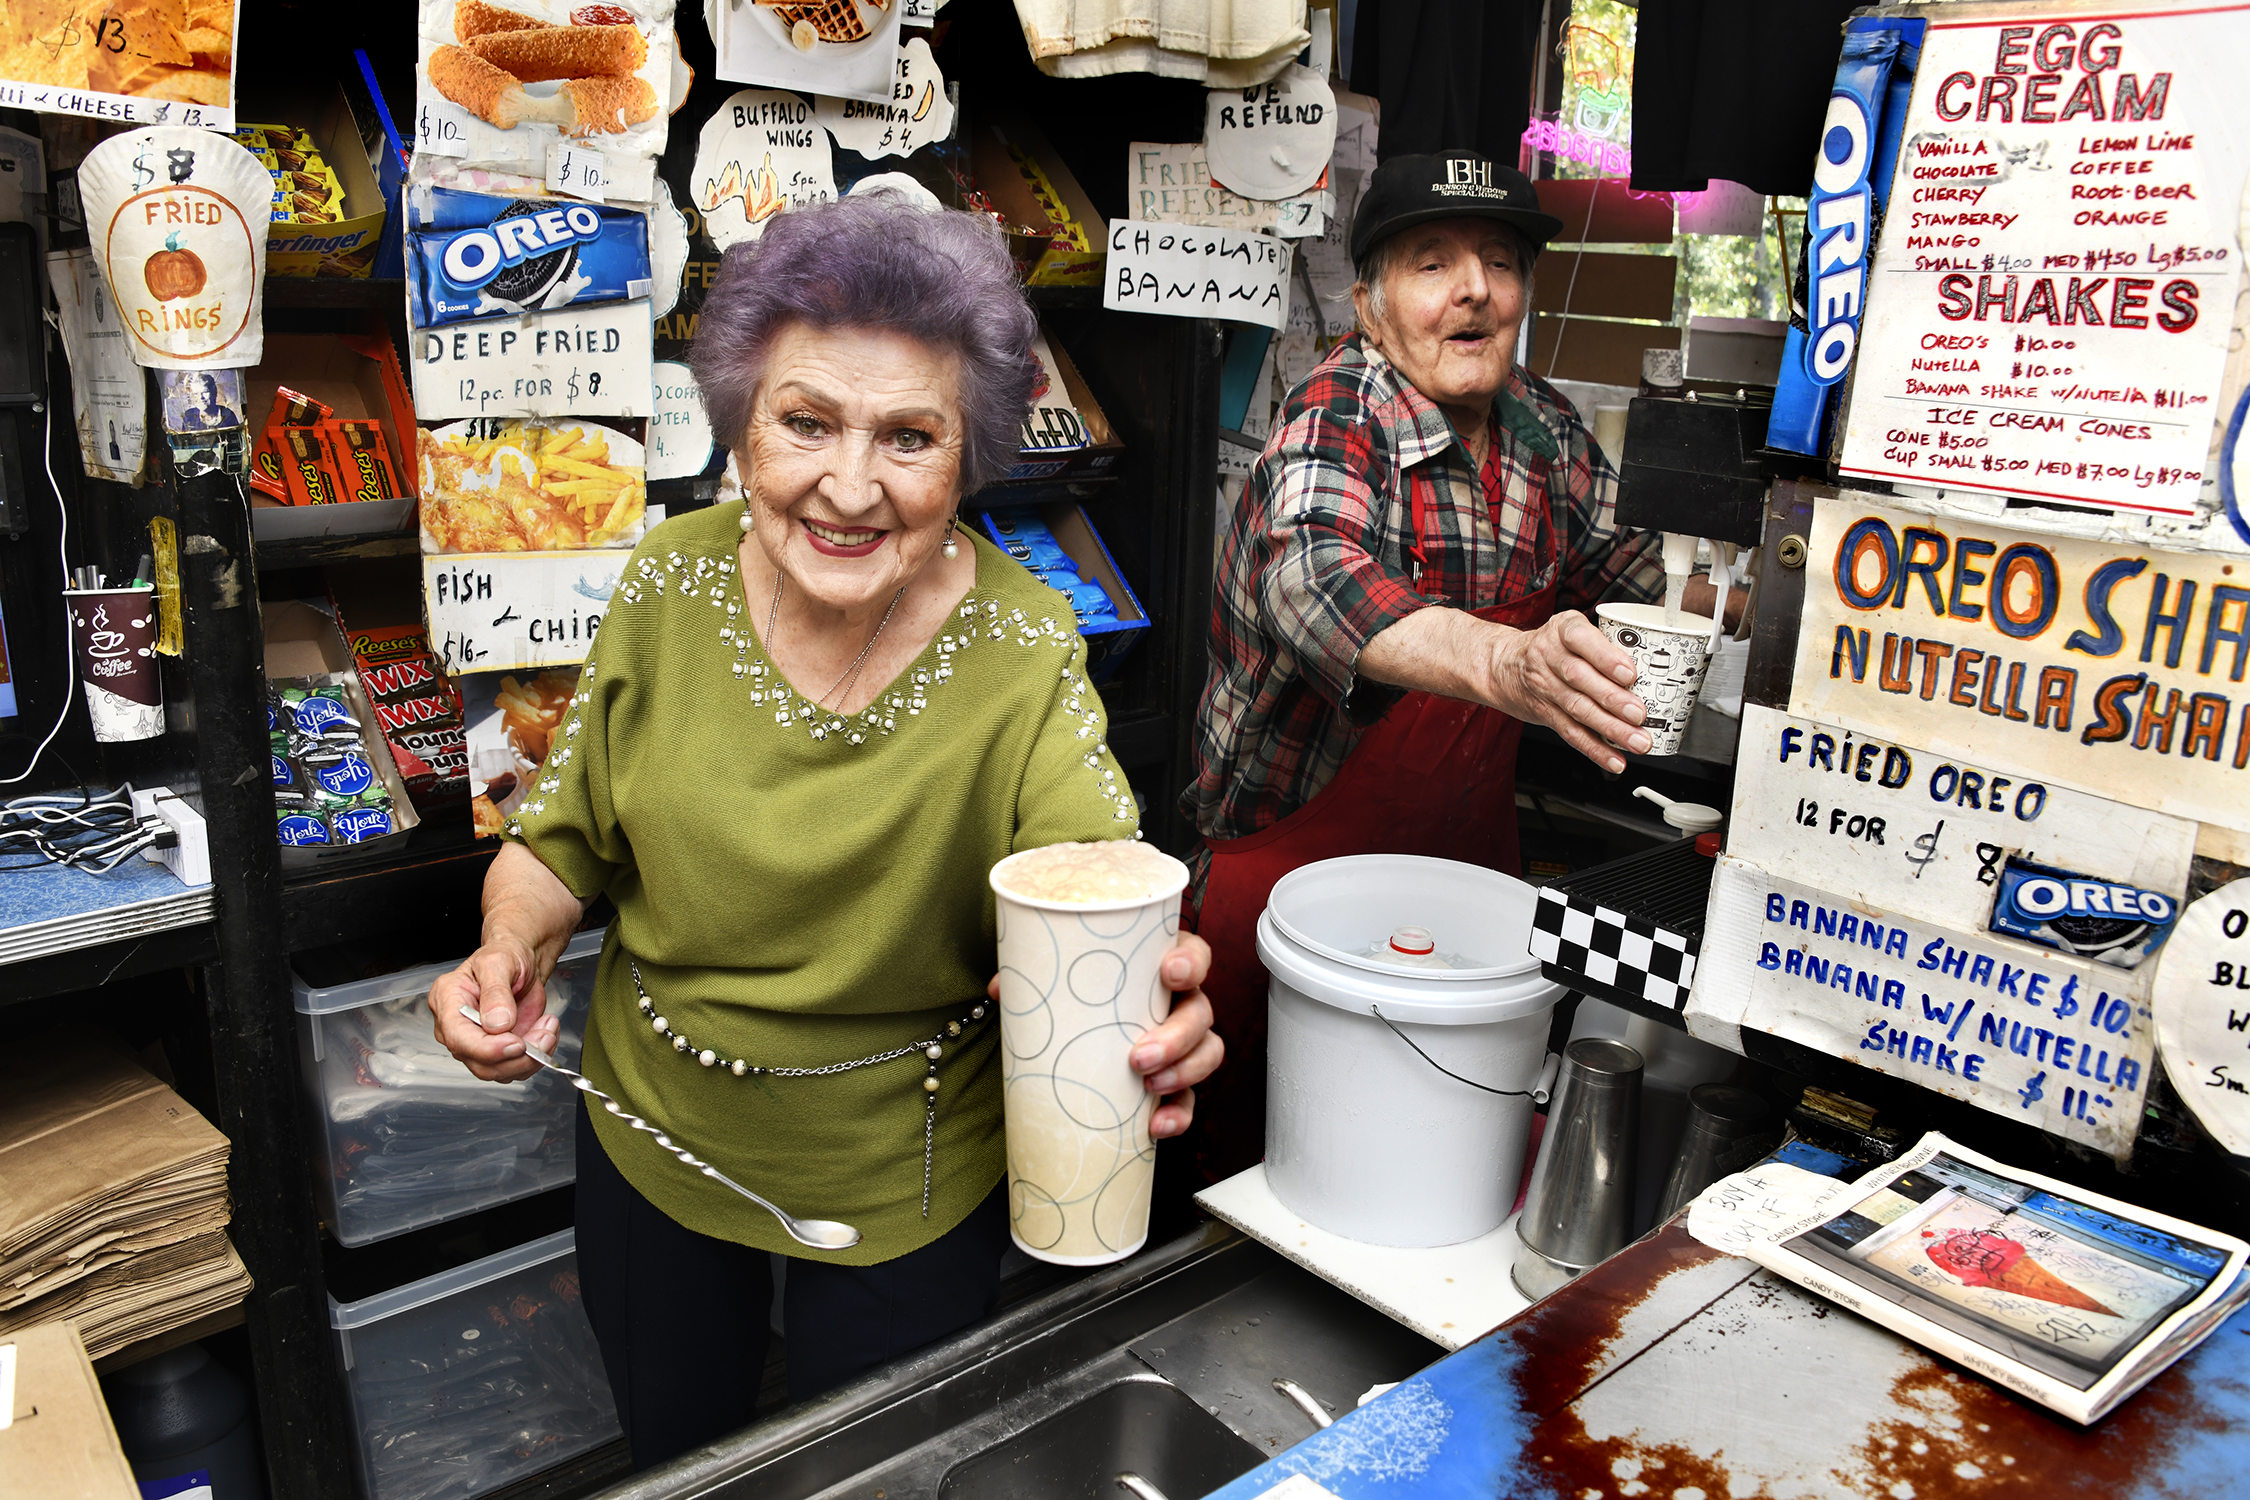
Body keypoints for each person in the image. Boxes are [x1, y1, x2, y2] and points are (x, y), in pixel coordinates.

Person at [426, 195, 1223, 1470]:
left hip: (905, 1177)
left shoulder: (1023, 645)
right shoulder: (664, 585)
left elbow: (1099, 895)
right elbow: (560, 837)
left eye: (909, 437)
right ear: (742, 427)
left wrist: (1153, 998)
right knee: (681, 1463)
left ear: (968, 458)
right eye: (806, 422)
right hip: (653, 1140)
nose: (849, 487)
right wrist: (506, 946)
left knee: (878, 1480)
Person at [1179, 150, 1739, 1181]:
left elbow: (1635, 576)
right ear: (1370, 301)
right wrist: (1508, 663)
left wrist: (1758, 613)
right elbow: (1316, 582)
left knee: (1447, 1163)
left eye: (1499, 260)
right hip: (1286, 894)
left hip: (1469, 883)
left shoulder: (1545, 428)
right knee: (1250, 1189)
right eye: (1431, 263)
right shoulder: (1333, 419)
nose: (1473, 287)